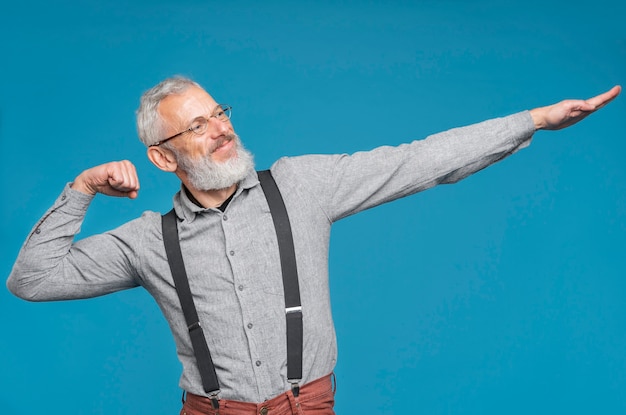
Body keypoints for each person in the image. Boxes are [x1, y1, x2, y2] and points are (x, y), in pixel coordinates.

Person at [7, 77, 621, 415]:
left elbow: (417, 162)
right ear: (163, 157)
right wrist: (82, 188)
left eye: (219, 112)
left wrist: (533, 120)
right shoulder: (145, 241)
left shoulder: (299, 186)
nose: (221, 128)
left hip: (308, 409)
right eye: (198, 125)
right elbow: (32, 280)